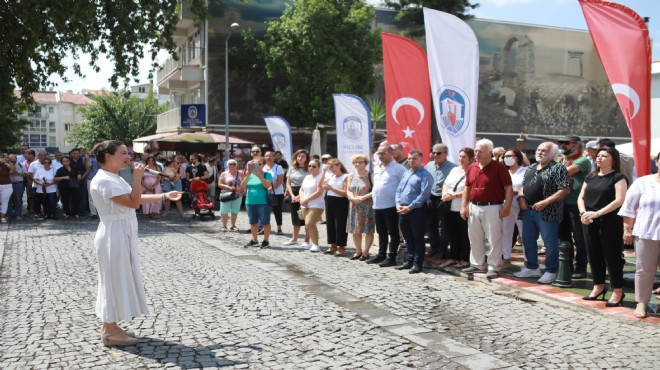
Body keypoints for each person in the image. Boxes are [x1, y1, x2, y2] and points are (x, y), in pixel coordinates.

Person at [89, 140, 182, 347]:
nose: (128, 156)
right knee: (113, 281)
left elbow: (135, 198)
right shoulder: (104, 180)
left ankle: (110, 326)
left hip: (121, 232)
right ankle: (110, 330)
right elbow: (132, 201)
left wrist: (165, 195)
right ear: (108, 156)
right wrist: (139, 177)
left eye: (128, 152)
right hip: (114, 235)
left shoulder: (113, 177)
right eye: (123, 153)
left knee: (117, 278)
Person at [578, 147, 628, 307]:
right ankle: (598, 286)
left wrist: (598, 213)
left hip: (610, 221)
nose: (599, 158)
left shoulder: (618, 177)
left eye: (604, 156)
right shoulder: (590, 177)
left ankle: (618, 291)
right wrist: (583, 214)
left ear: (613, 159)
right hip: (589, 220)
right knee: (594, 255)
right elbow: (581, 197)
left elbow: (619, 200)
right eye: (598, 155)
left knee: (612, 257)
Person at [514, 142, 570, 284]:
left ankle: (551, 270)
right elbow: (523, 187)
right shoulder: (531, 167)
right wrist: (521, 198)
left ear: (552, 154)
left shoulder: (558, 168)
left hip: (548, 212)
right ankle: (532, 267)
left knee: (550, 242)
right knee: (528, 240)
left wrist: (545, 202)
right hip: (528, 211)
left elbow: (565, 189)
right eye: (538, 149)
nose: (539, 152)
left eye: (544, 150)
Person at [461, 139, 513, 278]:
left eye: (480, 151)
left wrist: (507, 205)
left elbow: (508, 188)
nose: (477, 153)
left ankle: (493, 266)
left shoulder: (499, 167)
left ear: (490, 152)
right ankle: (477, 264)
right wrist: (464, 206)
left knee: (494, 238)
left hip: (492, 206)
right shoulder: (472, 167)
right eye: (476, 150)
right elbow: (467, 187)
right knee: (474, 237)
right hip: (474, 206)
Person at [618, 151, 660, 318]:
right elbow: (628, 207)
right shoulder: (643, 182)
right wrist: (627, 229)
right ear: (657, 162)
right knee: (644, 269)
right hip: (645, 233)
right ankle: (642, 303)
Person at [367, 143, 407, 267]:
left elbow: (405, 185)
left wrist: (400, 202)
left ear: (390, 153)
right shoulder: (378, 168)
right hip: (378, 205)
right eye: (379, 153)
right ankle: (381, 254)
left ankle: (392, 257)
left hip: (391, 206)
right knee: (381, 232)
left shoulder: (398, 168)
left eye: (383, 153)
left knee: (393, 233)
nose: (381, 156)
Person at [557, 135, 592, 279]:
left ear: (576, 145)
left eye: (566, 143)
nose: (563, 145)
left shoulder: (582, 160)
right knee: (564, 236)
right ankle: (567, 266)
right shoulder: (561, 160)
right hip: (562, 203)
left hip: (576, 204)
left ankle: (581, 268)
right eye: (561, 143)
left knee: (579, 238)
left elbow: (562, 173)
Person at [394, 149, 433, 273]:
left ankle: (417, 263)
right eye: (409, 158)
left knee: (417, 238)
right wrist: (398, 204)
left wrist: (409, 207)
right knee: (407, 237)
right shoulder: (406, 173)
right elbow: (399, 190)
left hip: (417, 210)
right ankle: (409, 260)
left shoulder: (425, 175)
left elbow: (424, 195)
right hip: (402, 209)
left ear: (421, 159)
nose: (411, 161)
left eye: (414, 158)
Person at [441, 148, 474, 269]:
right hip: (449, 207)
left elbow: (470, 190)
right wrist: (445, 194)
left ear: (471, 158)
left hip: (462, 208)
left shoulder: (473, 171)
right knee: (452, 234)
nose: (461, 159)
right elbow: (446, 183)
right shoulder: (454, 169)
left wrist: (454, 195)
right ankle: (453, 257)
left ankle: (465, 259)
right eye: (460, 156)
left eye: (464, 157)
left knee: (464, 235)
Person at [424, 143, 457, 260]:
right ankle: (434, 248)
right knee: (430, 225)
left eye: (438, 153)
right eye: (433, 152)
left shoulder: (453, 168)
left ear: (446, 154)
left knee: (443, 227)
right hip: (430, 198)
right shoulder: (428, 165)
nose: (435, 155)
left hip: (443, 199)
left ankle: (442, 251)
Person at [500, 149, 527, 267]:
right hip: (505, 205)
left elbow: (525, 188)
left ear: (517, 157)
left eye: (509, 156)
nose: (507, 158)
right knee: (505, 231)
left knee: (524, 232)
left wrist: (510, 191)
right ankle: (505, 256)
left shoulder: (525, 172)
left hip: (519, 205)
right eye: (505, 156)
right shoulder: (504, 172)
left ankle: (528, 259)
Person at [346, 154, 375, 260]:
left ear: (365, 163)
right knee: (355, 230)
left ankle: (366, 252)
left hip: (367, 206)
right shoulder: (351, 176)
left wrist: (362, 198)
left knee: (368, 230)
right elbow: (348, 190)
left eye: (360, 162)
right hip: (354, 206)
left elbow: (375, 191)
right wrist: (352, 198)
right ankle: (358, 251)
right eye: (356, 162)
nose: (357, 164)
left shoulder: (370, 175)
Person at [241, 156, 273, 248]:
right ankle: (254, 240)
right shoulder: (250, 175)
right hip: (250, 202)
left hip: (263, 202)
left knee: (265, 222)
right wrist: (247, 175)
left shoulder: (267, 174)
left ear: (263, 165)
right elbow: (242, 185)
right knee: (253, 222)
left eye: (259, 164)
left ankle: (266, 240)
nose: (256, 166)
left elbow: (267, 185)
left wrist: (259, 175)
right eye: (254, 164)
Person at [321, 158, 350, 256]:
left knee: (340, 224)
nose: (331, 169)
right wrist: (324, 172)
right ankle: (333, 245)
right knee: (330, 224)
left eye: (332, 167)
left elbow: (346, 193)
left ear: (339, 166)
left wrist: (332, 188)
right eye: (330, 167)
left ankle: (341, 247)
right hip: (330, 201)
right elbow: (320, 184)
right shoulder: (331, 176)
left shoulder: (346, 176)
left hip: (341, 201)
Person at [284, 150, 310, 246]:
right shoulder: (292, 168)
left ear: (306, 158)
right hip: (293, 192)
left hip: (306, 193)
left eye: (303, 156)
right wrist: (293, 196)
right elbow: (288, 183)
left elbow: (311, 183)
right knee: (295, 217)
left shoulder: (309, 168)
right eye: (299, 156)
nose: (300, 158)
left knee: (306, 217)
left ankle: (307, 241)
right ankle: (294, 239)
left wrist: (299, 196)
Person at [299, 159, 325, 252]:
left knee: (309, 223)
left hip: (317, 204)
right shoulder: (307, 177)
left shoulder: (320, 177)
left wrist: (306, 199)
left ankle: (315, 244)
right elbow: (301, 189)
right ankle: (307, 241)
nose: (311, 168)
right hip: (305, 204)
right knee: (307, 225)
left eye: (314, 166)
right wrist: (302, 199)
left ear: (318, 167)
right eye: (309, 166)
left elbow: (319, 191)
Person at [218, 159, 243, 231]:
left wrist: (244, 189)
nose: (232, 165)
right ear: (227, 165)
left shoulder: (241, 173)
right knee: (224, 210)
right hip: (226, 194)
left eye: (234, 164)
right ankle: (224, 226)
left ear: (236, 165)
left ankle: (233, 225)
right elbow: (219, 184)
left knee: (235, 210)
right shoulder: (224, 174)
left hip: (237, 194)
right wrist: (228, 187)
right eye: (230, 164)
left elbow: (245, 181)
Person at [264, 151, 286, 235]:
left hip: (277, 193)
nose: (269, 157)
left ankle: (279, 228)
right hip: (264, 193)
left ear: (274, 157)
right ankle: (265, 227)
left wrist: (270, 188)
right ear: (264, 157)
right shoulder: (262, 167)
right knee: (265, 211)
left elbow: (280, 180)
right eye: (267, 156)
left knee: (277, 211)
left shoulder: (278, 167)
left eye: (271, 156)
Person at [7, 154, 26, 220]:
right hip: (8, 184)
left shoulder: (21, 165)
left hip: (19, 184)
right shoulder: (6, 166)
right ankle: (8, 214)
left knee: (18, 199)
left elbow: (26, 174)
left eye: (14, 161)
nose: (13, 163)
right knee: (8, 200)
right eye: (11, 161)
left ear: (16, 159)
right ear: (8, 160)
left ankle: (18, 214)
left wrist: (19, 173)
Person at [0, 155, 14, 223]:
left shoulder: (6, 165)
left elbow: (13, 169)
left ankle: (2, 218)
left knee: (4, 202)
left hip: (7, 186)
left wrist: (8, 162)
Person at [86, 153, 100, 218]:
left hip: (101, 179)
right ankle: (93, 212)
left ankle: (101, 211)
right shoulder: (91, 159)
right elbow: (88, 167)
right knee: (91, 196)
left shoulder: (105, 158)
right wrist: (87, 159)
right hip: (91, 179)